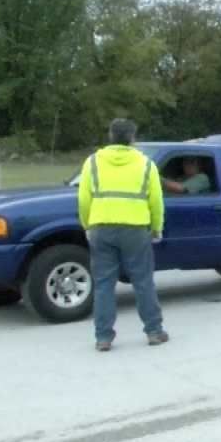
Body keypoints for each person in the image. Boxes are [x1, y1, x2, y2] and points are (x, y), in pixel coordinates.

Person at [77, 118, 169, 351]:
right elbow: (156, 201)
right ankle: (154, 331)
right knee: (143, 281)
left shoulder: (93, 162)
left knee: (103, 284)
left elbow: (84, 199)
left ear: (110, 136)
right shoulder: (146, 164)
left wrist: (87, 225)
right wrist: (157, 227)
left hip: (101, 227)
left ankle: (103, 337)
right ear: (132, 138)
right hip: (136, 228)